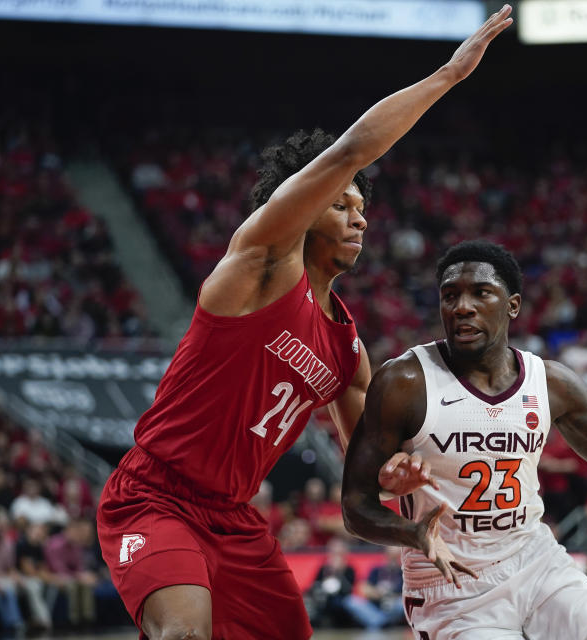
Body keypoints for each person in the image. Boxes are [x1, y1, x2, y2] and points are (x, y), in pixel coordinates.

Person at [95, 8, 514, 639]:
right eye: (342, 202)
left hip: (234, 518)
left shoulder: (346, 350)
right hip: (156, 495)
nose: (359, 217)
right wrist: (448, 77)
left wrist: (394, 474)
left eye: (362, 207)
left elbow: (363, 472)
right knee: (183, 633)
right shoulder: (260, 265)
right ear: (306, 204)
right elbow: (351, 150)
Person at [341, 241, 587, 639]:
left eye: (481, 292)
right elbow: (355, 507)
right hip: (452, 582)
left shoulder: (551, 384)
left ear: (512, 305)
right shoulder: (405, 382)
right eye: (450, 295)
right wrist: (410, 533)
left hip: (534, 562)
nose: (462, 306)